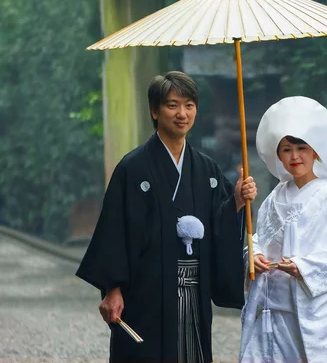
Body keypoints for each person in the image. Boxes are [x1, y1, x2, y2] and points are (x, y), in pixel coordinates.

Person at [76, 71, 257, 363]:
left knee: (191, 353)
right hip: (145, 290)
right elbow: (115, 232)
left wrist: (236, 201)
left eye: (189, 105)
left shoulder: (207, 170)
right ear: (154, 110)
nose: (182, 114)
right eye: (172, 105)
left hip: (193, 289)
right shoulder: (132, 168)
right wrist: (112, 289)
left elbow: (218, 225)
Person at [239, 96, 327, 362]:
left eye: (301, 147)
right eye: (286, 149)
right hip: (273, 304)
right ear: (278, 155)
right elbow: (260, 237)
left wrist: (304, 267)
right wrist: (254, 255)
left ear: (315, 151)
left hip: (311, 308)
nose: (294, 156)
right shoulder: (275, 197)